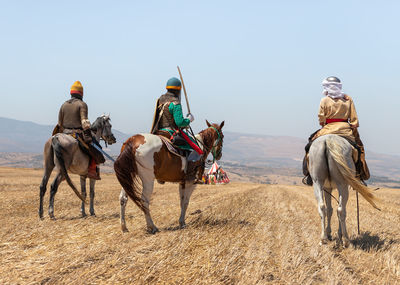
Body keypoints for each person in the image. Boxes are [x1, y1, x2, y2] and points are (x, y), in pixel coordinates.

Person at [302, 76, 370, 185]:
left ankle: (309, 175)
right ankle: (359, 175)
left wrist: (324, 123)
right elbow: (354, 120)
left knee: (309, 146)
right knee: (359, 148)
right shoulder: (348, 99)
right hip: (345, 129)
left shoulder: (324, 100)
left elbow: (321, 118)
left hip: (327, 129)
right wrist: (352, 125)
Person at [151, 77, 203, 181]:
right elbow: (179, 122)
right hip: (170, 132)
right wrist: (189, 119)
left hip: (158, 131)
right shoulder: (175, 102)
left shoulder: (160, 100)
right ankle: (190, 174)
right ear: (178, 90)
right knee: (196, 149)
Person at [56, 81, 104, 180]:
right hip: (77, 133)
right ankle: (91, 171)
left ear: (71, 93)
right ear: (81, 93)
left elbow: (59, 123)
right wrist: (88, 135)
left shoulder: (64, 105)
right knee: (96, 148)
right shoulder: (82, 104)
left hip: (64, 133)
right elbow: (84, 122)